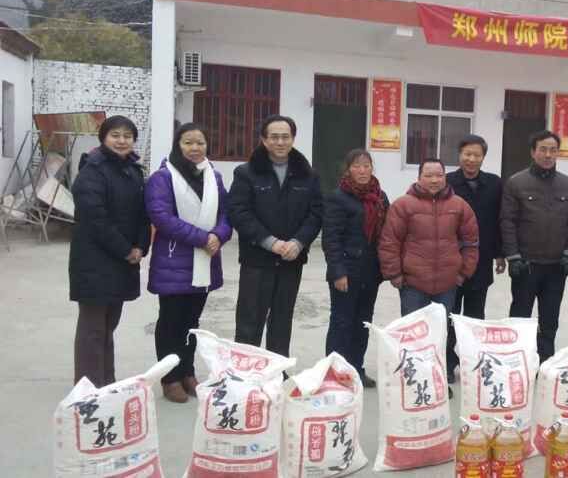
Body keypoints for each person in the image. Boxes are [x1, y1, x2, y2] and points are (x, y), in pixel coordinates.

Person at [145, 123, 232, 402]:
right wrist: (202, 238)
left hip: (204, 261)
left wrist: (219, 235)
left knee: (192, 322)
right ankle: (169, 378)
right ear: (177, 145)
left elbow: (227, 213)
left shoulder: (213, 176)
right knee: (171, 321)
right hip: (173, 260)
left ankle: (187, 373)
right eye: (188, 142)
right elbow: (161, 217)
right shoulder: (162, 177)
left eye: (200, 143)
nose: (195, 148)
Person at [229, 115, 323, 358]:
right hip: (256, 260)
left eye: (285, 137)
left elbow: (316, 214)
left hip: (291, 259)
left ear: (293, 139)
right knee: (249, 321)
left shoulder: (308, 175)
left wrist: (298, 243)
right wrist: (270, 242)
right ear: (264, 140)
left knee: (282, 320)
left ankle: (278, 371)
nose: (280, 142)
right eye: (274, 137)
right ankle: (245, 372)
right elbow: (239, 212)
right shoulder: (246, 173)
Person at [69, 115, 151, 387]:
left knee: (108, 325)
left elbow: (143, 214)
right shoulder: (92, 170)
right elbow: (96, 219)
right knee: (93, 328)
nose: (121, 140)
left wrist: (141, 246)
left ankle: (106, 380)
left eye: (127, 136)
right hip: (94, 261)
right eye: (115, 135)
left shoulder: (133, 170)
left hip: (121, 260)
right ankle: (88, 388)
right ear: (103, 138)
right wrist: (126, 250)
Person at [501, 130, 568, 363]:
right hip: (526, 264)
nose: (548, 155)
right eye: (543, 150)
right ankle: (517, 360)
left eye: (553, 150)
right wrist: (513, 256)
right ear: (533, 152)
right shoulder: (516, 182)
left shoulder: (567, 184)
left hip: (556, 265)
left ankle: (546, 360)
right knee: (520, 317)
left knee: (550, 318)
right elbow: (507, 221)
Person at [321, 148, 388, 388]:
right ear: (348, 169)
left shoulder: (380, 197)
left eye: (366, 165)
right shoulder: (337, 197)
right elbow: (331, 239)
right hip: (346, 271)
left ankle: (357, 369)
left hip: (371, 271)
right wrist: (338, 271)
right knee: (342, 322)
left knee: (363, 322)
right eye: (357, 166)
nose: (362, 170)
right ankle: (335, 373)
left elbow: (386, 234)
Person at [379, 158, 479, 316]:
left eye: (439, 175)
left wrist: (463, 273)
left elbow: (471, 242)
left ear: (445, 177)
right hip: (412, 284)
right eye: (428, 176)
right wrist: (394, 274)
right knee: (414, 328)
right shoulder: (402, 205)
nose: (434, 180)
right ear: (419, 177)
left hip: (448, 284)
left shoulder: (459, 205)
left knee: (440, 328)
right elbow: (390, 242)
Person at [445, 135, 504, 384]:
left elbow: (500, 220)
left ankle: (472, 364)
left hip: (482, 259)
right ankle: (448, 363)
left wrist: (500, 253)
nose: (471, 159)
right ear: (459, 155)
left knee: (475, 316)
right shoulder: (447, 182)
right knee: (449, 315)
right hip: (451, 259)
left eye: (476, 155)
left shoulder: (495, 183)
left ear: (483, 157)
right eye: (467, 154)